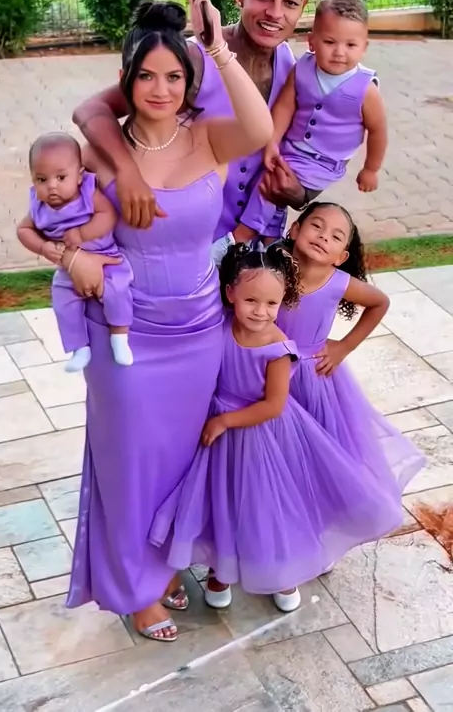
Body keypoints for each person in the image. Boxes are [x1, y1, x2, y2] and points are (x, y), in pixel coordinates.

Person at [50, 0, 274, 643]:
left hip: (198, 332)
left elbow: (259, 127)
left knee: (179, 460)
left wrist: (218, 47)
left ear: (190, 80)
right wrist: (73, 255)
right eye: (145, 76)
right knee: (129, 464)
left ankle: (166, 562)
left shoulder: (209, 136)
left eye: (174, 76)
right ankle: (134, 588)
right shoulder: (100, 152)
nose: (160, 89)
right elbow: (54, 223)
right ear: (125, 81)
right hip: (126, 333)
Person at [150, 243, 421, 612]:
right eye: (251, 300)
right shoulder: (219, 328)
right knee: (223, 501)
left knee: (269, 504)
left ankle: (283, 570)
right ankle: (221, 569)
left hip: (264, 436)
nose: (260, 311)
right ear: (230, 294)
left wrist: (224, 420)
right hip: (221, 436)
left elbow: (273, 406)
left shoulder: (279, 348)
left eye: (271, 303)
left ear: (282, 302)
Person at [71, 0, 311, 250]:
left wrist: (299, 195)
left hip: (258, 246)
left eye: (290, 3)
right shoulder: (191, 59)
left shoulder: (294, 68)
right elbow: (91, 110)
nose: (275, 13)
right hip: (189, 242)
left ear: (303, 6)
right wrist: (126, 171)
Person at [277, 201, 425, 502]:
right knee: (274, 440)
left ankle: (311, 498)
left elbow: (380, 302)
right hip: (265, 369)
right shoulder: (271, 269)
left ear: (341, 256)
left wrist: (344, 346)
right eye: (316, 226)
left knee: (313, 444)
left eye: (335, 236)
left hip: (310, 377)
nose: (323, 236)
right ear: (294, 230)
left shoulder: (338, 283)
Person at [233, 0, 388, 245]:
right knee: (263, 174)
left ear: (364, 47)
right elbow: (284, 107)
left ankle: (241, 237)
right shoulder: (303, 68)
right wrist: (272, 142)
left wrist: (371, 169)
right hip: (291, 148)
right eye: (330, 42)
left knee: (270, 184)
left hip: (323, 162)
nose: (339, 52)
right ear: (311, 41)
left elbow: (378, 131)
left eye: (350, 45)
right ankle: (271, 241)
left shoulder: (366, 89)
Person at [17, 133, 134, 372]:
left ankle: (119, 337)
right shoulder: (39, 207)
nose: (52, 186)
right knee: (63, 301)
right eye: (41, 179)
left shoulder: (88, 194)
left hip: (106, 258)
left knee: (117, 290)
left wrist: (82, 234)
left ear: (79, 176)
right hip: (68, 269)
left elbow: (108, 215)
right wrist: (43, 247)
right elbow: (23, 230)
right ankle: (79, 347)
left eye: (61, 177)